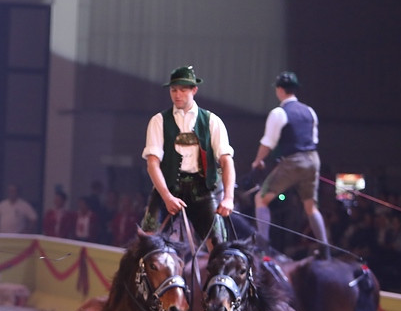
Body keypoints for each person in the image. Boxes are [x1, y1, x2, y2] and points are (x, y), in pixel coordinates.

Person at [141, 65, 235, 245]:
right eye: (174, 90)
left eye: (183, 90)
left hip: (202, 191)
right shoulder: (159, 121)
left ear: (194, 90)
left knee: (220, 246)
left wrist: (229, 198)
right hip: (167, 188)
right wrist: (167, 197)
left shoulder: (212, 121)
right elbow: (152, 163)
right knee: (146, 243)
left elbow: (226, 161)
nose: (177, 95)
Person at [251, 71, 330, 258]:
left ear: (279, 90)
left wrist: (258, 161)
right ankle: (325, 248)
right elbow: (313, 139)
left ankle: (263, 246)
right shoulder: (309, 111)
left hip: (293, 161)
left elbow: (268, 142)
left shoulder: (279, 112)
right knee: (311, 207)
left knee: (261, 199)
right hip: (313, 159)